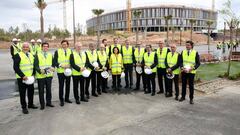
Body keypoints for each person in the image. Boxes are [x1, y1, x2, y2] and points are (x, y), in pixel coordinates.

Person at [13, 42, 38, 114]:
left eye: (27, 47)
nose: (25, 48)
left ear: (29, 48)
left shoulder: (31, 55)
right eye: (24, 47)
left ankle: (30, 104)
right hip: (22, 78)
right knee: (22, 93)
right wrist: (22, 76)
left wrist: (33, 74)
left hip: (30, 78)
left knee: (31, 92)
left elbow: (32, 65)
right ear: (22, 47)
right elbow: (16, 67)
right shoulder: (17, 55)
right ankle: (24, 107)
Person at [34, 42, 55, 110]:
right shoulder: (38, 55)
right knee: (41, 91)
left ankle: (48, 102)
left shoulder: (50, 55)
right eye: (44, 46)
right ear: (42, 47)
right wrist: (40, 71)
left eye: (46, 46)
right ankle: (42, 104)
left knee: (49, 90)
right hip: (41, 76)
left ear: (48, 47)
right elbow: (36, 66)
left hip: (49, 75)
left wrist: (53, 67)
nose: (45, 47)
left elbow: (53, 64)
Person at [53, 40, 72, 106]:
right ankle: (61, 100)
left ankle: (67, 98)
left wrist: (70, 65)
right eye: (63, 44)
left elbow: (72, 61)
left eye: (65, 44)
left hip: (68, 71)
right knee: (61, 86)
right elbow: (54, 61)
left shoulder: (70, 51)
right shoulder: (57, 51)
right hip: (60, 72)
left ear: (67, 45)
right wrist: (61, 65)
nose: (64, 45)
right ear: (61, 45)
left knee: (68, 85)